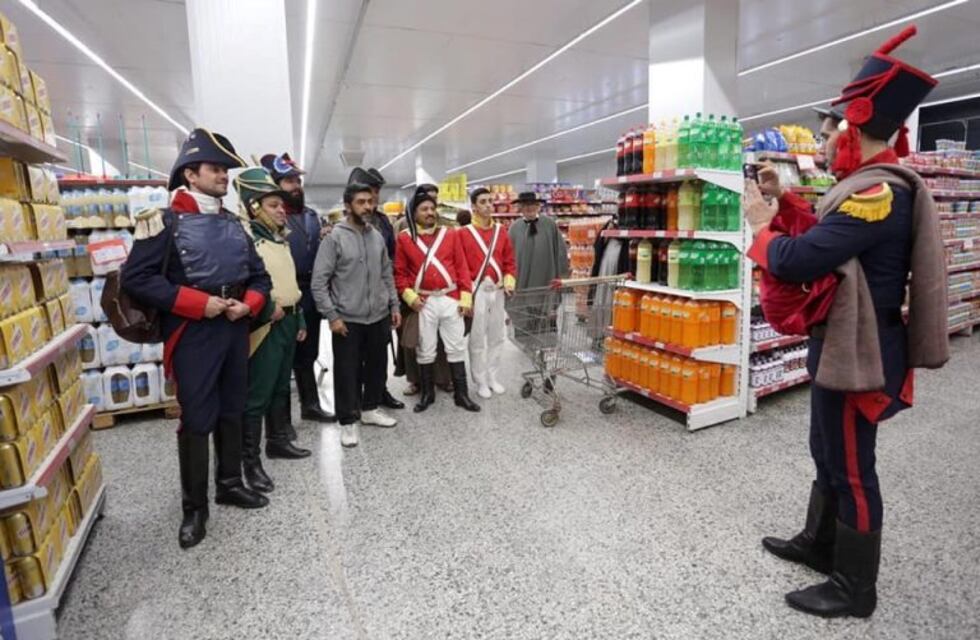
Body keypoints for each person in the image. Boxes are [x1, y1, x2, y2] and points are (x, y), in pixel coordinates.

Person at [744, 26, 949, 619]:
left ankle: (856, 589)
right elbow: (827, 237)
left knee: (854, 466)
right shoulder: (856, 188)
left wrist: (761, 226)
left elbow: (800, 257)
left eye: (832, 129)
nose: (827, 140)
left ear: (855, 127)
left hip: (863, 353)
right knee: (826, 448)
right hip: (841, 344)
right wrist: (786, 202)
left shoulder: (878, 192)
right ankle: (820, 544)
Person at [122, 128, 272, 549]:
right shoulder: (162, 222)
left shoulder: (234, 223)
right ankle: (194, 508)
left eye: (225, 169)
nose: (224, 176)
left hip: (233, 327)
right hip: (193, 334)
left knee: (233, 409)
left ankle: (229, 483)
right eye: (216, 169)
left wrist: (250, 303)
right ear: (191, 173)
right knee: (197, 420)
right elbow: (138, 279)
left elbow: (258, 275)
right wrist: (195, 303)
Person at [234, 168, 312, 495]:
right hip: (266, 324)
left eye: (281, 205)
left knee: (281, 386)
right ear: (254, 208)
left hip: (290, 319)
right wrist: (267, 308)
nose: (282, 210)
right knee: (258, 395)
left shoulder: (278, 238)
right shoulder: (247, 240)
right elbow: (243, 285)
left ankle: (278, 440)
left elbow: (289, 281)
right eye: (273, 206)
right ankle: (249, 463)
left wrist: (301, 319)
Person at [311, 183, 402, 448]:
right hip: (347, 318)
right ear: (348, 205)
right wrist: (332, 315)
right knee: (347, 371)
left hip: (378, 315)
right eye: (361, 202)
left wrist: (394, 306)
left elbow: (387, 274)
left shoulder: (376, 237)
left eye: (371, 202)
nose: (368, 207)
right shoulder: (334, 239)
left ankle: (370, 408)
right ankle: (348, 421)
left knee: (376, 366)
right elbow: (319, 282)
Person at [260, 152, 336, 427]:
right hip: (282, 294)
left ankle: (311, 405)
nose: (296, 186)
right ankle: (280, 424)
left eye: (297, 181)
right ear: (276, 185)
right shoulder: (271, 222)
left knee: (308, 353)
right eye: (289, 181)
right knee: (281, 361)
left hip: (311, 293)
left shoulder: (312, 216)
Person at [394, 193, 480, 413]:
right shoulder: (404, 238)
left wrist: (466, 298)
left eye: (432, 209)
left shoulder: (450, 234)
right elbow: (400, 274)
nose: (430, 213)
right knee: (426, 348)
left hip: (451, 298)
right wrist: (410, 298)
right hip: (424, 302)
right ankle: (427, 394)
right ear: (413, 213)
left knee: (456, 347)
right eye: (424, 209)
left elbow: (462, 267)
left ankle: (462, 394)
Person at [347, 167, 405, 411]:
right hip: (354, 299)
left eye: (377, 191)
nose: (375, 196)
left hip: (380, 295)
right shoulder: (345, 225)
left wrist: (392, 299)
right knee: (355, 355)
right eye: (371, 191)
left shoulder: (381, 221)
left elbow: (391, 257)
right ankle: (358, 396)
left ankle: (379, 390)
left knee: (379, 350)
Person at [394, 185, 453, 395]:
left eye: (434, 202)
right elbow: (399, 263)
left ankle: (443, 378)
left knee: (443, 340)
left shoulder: (445, 227)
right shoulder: (403, 227)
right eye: (426, 204)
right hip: (414, 294)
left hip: (442, 295)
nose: (430, 210)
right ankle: (415, 381)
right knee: (414, 340)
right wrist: (408, 295)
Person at [460, 187, 516, 399]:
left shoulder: (501, 231)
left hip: (499, 290)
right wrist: (467, 296)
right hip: (477, 291)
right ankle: (480, 380)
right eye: (483, 202)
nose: (488, 205)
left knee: (497, 336)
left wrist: (509, 281)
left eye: (490, 201)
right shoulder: (463, 233)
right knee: (476, 339)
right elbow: (461, 266)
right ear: (473, 206)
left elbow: (509, 260)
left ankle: (493, 376)